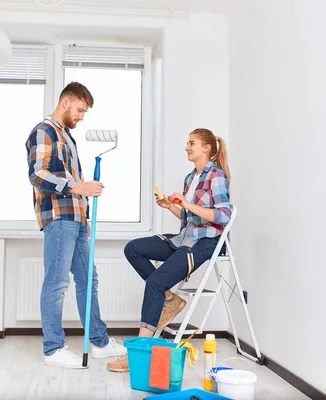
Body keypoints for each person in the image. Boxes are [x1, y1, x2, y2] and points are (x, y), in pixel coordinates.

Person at [106, 128, 232, 373]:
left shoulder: (216, 175)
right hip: (185, 238)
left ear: (206, 148)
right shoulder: (190, 178)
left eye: (191, 143)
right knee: (134, 249)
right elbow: (189, 219)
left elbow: (223, 215)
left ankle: (139, 354)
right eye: (187, 143)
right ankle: (170, 300)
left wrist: (186, 203)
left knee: (154, 282)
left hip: (206, 242)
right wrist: (170, 207)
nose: (187, 147)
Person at [26, 82, 126, 369]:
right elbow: (37, 174)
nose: (82, 116)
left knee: (88, 280)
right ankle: (53, 349)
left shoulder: (67, 137)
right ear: (66, 102)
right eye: (80, 109)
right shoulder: (44, 131)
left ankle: (99, 342)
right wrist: (77, 185)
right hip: (58, 219)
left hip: (76, 219)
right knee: (57, 283)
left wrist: (85, 217)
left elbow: (73, 184)